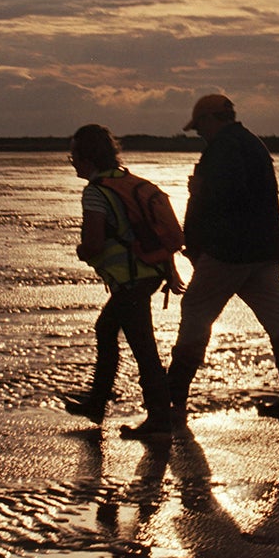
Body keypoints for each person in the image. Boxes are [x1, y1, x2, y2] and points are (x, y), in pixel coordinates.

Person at [126, 93, 279, 434]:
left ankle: (171, 405)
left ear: (211, 119)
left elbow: (222, 201)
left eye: (199, 129)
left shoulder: (223, 150)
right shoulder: (253, 145)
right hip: (263, 252)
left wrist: (199, 203)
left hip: (228, 254)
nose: (199, 135)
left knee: (195, 316)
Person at [61, 124, 177, 425]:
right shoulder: (128, 182)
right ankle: (98, 404)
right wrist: (169, 268)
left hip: (130, 279)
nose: (71, 161)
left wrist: (82, 251)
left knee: (143, 347)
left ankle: (159, 417)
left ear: (86, 158)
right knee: (109, 330)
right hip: (149, 274)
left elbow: (95, 243)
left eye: (73, 155)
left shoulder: (96, 193)